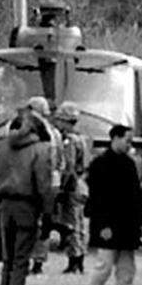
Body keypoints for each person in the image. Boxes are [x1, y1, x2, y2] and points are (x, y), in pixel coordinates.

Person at [77, 124, 142, 285]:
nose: (129, 144)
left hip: (126, 224)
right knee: (104, 267)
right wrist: (104, 225)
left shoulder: (128, 164)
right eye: (127, 140)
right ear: (115, 138)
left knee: (126, 270)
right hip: (108, 223)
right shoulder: (100, 165)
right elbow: (98, 198)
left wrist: (141, 223)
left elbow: (135, 196)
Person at [0, 114, 53, 285]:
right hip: (27, 206)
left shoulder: (0, 148)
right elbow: (43, 185)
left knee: (8, 260)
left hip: (3, 206)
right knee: (20, 260)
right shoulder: (40, 150)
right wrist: (48, 214)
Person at [52, 101, 91, 274]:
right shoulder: (84, 138)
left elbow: (69, 166)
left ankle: (75, 261)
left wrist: (62, 188)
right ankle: (79, 258)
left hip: (73, 185)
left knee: (72, 224)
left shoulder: (69, 141)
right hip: (82, 184)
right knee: (80, 224)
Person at [25, 96, 63, 275]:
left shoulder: (29, 131)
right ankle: (39, 261)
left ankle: (26, 259)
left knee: (30, 222)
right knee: (45, 223)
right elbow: (62, 162)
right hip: (51, 184)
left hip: (33, 183)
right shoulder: (55, 133)